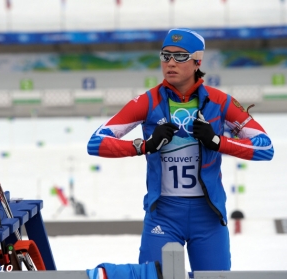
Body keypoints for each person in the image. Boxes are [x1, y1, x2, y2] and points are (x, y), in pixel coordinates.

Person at [87, 28, 274, 272]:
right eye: (165, 56)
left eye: (180, 56)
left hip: (207, 216)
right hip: (163, 215)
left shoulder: (220, 101)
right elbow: (96, 142)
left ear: (198, 61)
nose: (170, 63)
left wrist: (218, 142)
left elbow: (266, 147)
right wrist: (144, 145)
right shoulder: (148, 101)